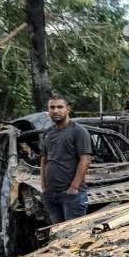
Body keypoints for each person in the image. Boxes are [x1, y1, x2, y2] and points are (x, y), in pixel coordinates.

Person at [40, 94, 92, 224]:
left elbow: (85, 159)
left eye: (60, 107)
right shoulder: (48, 133)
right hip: (51, 194)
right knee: (57, 235)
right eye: (52, 107)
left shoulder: (78, 131)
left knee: (73, 237)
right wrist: (44, 187)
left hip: (71, 195)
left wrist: (74, 188)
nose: (55, 111)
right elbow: (44, 159)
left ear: (68, 109)